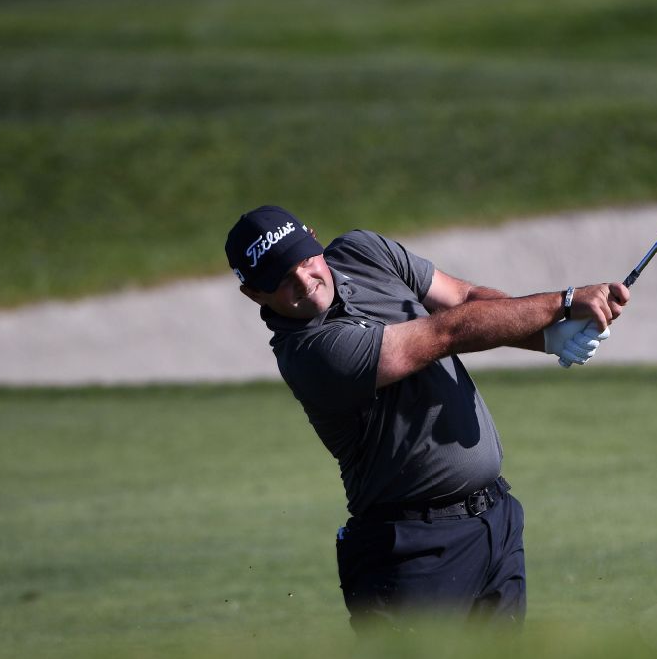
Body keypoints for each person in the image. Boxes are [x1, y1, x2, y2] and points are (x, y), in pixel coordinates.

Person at [224, 205, 629, 624]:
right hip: (411, 552)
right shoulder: (310, 354)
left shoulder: (363, 252)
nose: (304, 281)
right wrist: (563, 303)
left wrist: (546, 335)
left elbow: (465, 299)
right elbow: (446, 332)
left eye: (305, 260)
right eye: (281, 279)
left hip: (495, 521)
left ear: (313, 237)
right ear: (254, 293)